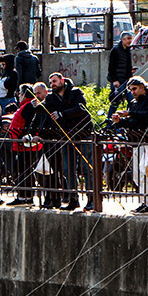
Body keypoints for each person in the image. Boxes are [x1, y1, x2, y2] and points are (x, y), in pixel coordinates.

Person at [111, 76, 148, 214]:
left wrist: (130, 113)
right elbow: (133, 122)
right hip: (137, 141)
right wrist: (119, 121)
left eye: (134, 88)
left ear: (142, 87)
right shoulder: (133, 103)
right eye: (130, 89)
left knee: (146, 173)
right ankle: (144, 201)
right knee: (137, 175)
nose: (132, 92)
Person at [49, 72, 92, 210]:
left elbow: (81, 108)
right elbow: (46, 110)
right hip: (65, 136)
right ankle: (73, 199)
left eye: (54, 81)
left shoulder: (75, 92)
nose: (52, 84)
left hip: (83, 134)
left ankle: (92, 199)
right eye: (51, 83)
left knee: (86, 169)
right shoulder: (51, 97)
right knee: (68, 169)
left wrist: (63, 114)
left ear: (62, 80)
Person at [107, 31, 134, 114]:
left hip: (126, 81)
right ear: (123, 39)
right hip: (118, 81)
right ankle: (109, 121)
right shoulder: (115, 50)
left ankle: (129, 118)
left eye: (131, 39)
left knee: (131, 100)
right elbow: (111, 67)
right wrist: (114, 80)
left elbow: (128, 65)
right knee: (115, 102)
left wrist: (131, 71)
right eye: (128, 39)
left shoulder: (128, 50)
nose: (130, 41)